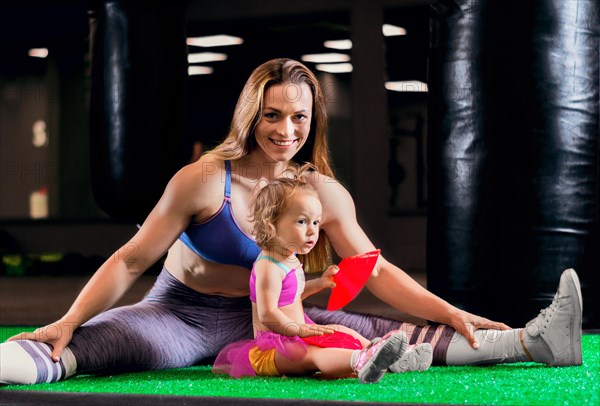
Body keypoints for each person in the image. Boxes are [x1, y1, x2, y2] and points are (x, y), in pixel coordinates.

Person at [0, 58, 582, 385]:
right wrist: (69, 318)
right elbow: (132, 259)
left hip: (281, 316)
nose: (285, 130)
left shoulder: (322, 192)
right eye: (272, 115)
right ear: (251, 115)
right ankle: (21, 362)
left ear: (313, 121)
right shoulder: (203, 179)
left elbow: (372, 270)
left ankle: (535, 341)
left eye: (298, 117)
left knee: (371, 334)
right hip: (185, 315)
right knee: (107, 343)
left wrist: (447, 308)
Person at [212, 167, 432, 382]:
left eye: (316, 222)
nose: (312, 231)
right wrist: (301, 330)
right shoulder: (268, 267)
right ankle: (360, 360)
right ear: (271, 225)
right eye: (302, 221)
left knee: (340, 330)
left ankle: (386, 354)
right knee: (311, 354)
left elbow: (290, 297)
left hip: (295, 335)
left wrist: (319, 283)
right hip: (270, 350)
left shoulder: (288, 258)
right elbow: (268, 314)